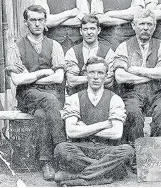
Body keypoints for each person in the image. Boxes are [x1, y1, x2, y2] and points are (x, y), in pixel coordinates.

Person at [6, 5, 66, 181]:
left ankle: (46, 162)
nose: (37, 24)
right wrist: (43, 72)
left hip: (50, 94)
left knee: (42, 114)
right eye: (33, 20)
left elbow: (59, 78)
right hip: (27, 96)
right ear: (26, 22)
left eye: (41, 20)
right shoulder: (15, 48)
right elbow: (17, 81)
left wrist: (30, 76)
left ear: (45, 22)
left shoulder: (54, 46)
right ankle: (61, 152)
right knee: (50, 101)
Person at [54, 56, 134, 186]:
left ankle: (76, 177)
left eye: (100, 73)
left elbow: (116, 133)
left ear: (106, 76)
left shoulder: (115, 99)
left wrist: (84, 128)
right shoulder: (74, 99)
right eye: (92, 72)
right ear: (86, 74)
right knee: (61, 149)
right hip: (82, 149)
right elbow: (71, 132)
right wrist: (102, 125)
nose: (96, 77)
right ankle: (105, 175)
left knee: (127, 150)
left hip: (106, 150)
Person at [114, 9, 161, 143]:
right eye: (142, 24)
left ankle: (159, 152)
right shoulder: (124, 47)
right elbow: (120, 76)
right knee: (132, 112)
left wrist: (136, 70)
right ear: (134, 26)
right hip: (132, 93)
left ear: (154, 27)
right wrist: (153, 74)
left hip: (158, 92)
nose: (145, 28)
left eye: (149, 24)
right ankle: (136, 152)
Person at [65, 15, 115, 95]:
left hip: (102, 95)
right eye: (85, 29)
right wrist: (98, 77)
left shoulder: (109, 52)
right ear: (81, 31)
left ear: (98, 30)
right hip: (78, 96)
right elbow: (71, 81)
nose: (89, 32)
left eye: (92, 29)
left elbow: (109, 81)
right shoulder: (72, 52)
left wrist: (83, 78)